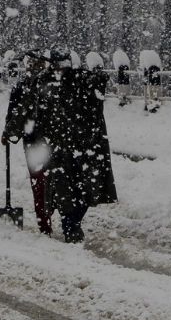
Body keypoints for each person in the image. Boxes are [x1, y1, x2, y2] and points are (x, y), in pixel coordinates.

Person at [34, 45, 117, 243]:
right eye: (57, 65)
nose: (60, 69)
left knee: (84, 190)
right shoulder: (46, 83)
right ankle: (70, 225)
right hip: (62, 146)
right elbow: (42, 116)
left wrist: (97, 78)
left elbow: (95, 89)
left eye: (63, 64)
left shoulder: (78, 80)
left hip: (81, 146)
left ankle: (72, 223)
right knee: (65, 190)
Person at [2, 50, 53, 236]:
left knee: (41, 182)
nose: (34, 67)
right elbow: (13, 116)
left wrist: (8, 132)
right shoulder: (48, 85)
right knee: (47, 181)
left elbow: (13, 116)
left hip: (36, 141)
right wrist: (8, 131)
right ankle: (46, 219)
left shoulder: (25, 87)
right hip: (46, 141)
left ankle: (45, 220)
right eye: (32, 64)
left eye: (36, 64)